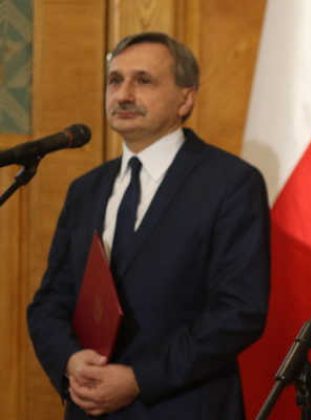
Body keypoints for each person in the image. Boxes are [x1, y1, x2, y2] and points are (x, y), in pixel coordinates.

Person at [27, 32, 270, 419]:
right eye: (115, 80)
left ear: (185, 99)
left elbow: (238, 312)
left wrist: (141, 378)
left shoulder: (231, 183)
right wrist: (70, 361)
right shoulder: (85, 190)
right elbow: (50, 302)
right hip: (90, 407)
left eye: (143, 80)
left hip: (184, 406)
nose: (123, 95)